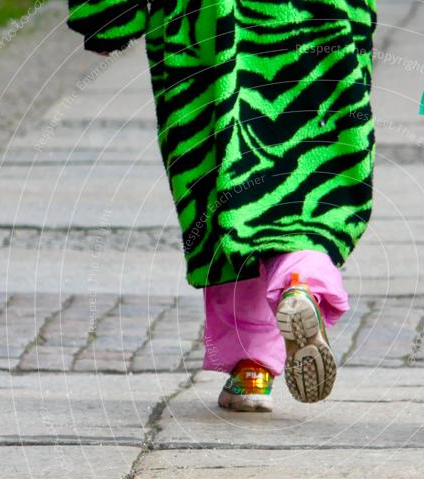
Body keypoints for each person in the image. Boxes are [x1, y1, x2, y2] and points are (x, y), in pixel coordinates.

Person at [67, 0, 377, 411]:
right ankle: (301, 281)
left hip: (204, 21)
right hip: (320, 16)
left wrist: (106, 18)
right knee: (316, 176)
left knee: (221, 184)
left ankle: (252, 368)